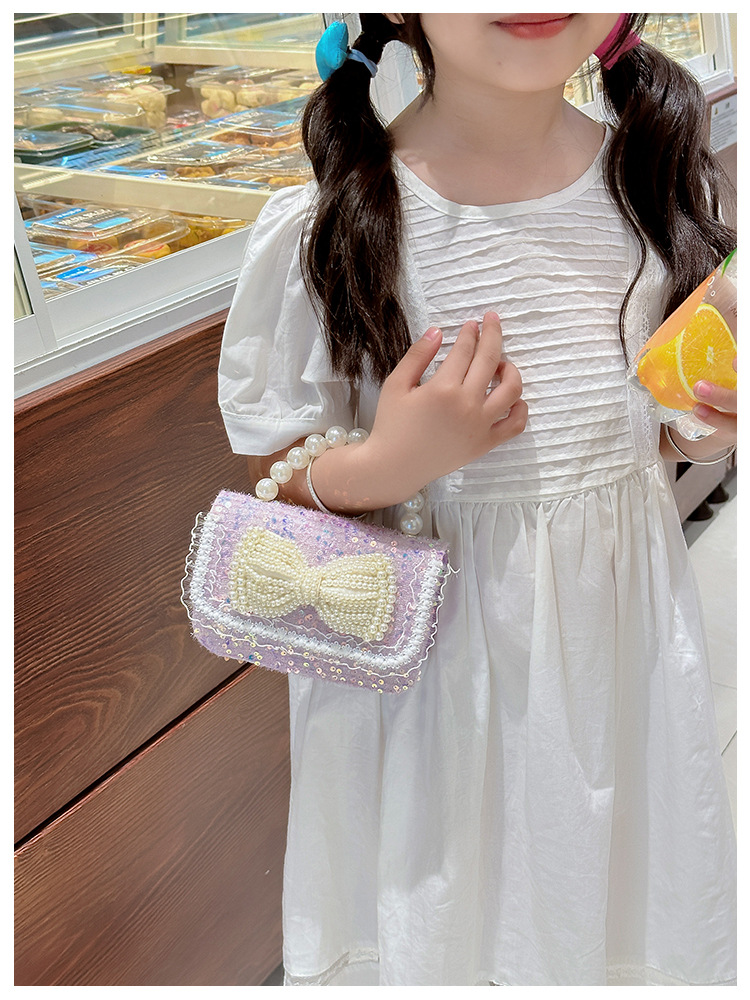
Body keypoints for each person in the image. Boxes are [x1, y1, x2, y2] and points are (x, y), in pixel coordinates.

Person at [218, 13, 737, 986]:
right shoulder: (340, 217)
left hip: (613, 659)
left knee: (601, 914)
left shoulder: (657, 180)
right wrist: (393, 462)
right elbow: (274, 492)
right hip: (437, 694)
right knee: (456, 927)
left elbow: (654, 432)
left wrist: (704, 422)